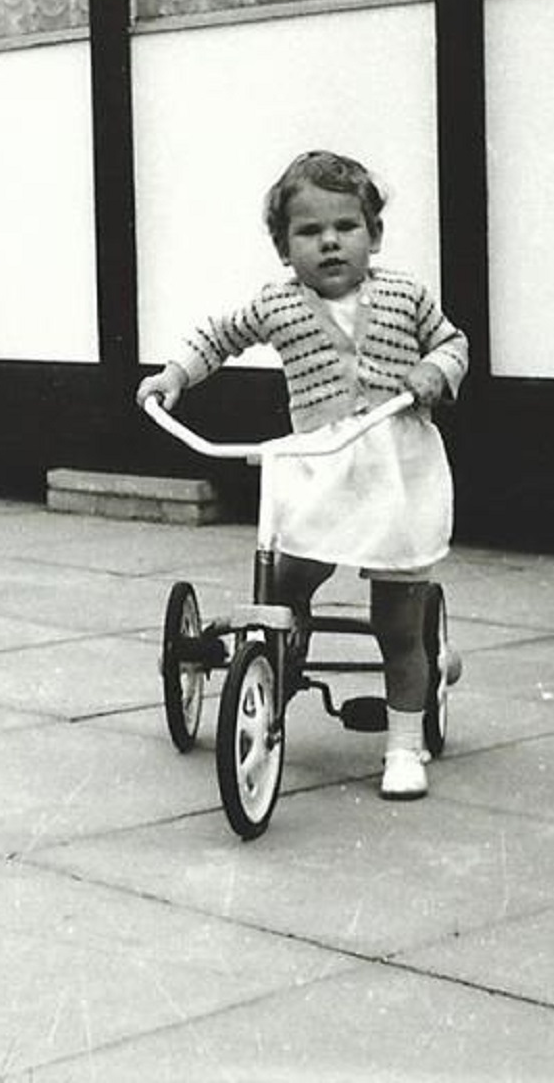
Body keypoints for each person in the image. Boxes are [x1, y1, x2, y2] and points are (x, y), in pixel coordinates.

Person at [136, 149, 469, 800]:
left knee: (399, 622)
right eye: (310, 232)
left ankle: (403, 745)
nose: (330, 243)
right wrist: (174, 375)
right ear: (285, 249)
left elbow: (452, 342)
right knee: (287, 585)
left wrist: (437, 373)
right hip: (319, 465)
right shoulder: (279, 304)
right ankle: (273, 690)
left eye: (346, 227)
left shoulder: (405, 295)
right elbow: (219, 336)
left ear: (373, 234)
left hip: (395, 465)